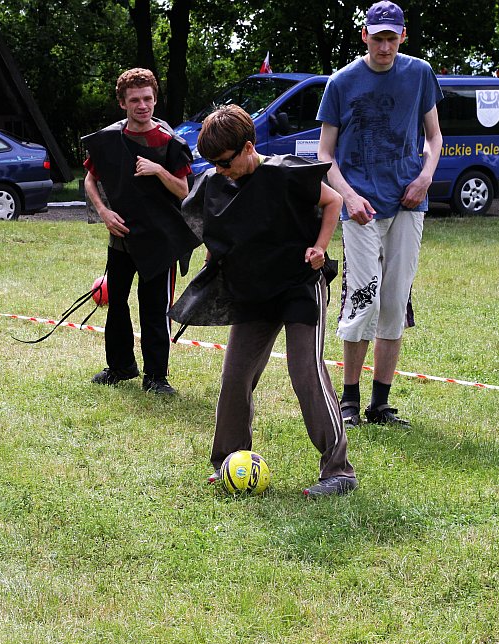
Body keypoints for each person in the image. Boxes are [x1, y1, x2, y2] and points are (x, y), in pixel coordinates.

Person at [171, 104, 356, 497]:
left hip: (298, 285)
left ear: (248, 147)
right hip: (252, 291)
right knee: (235, 376)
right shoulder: (214, 183)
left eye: (224, 162)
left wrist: (320, 248)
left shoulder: (284, 173)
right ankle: (228, 461)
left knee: (304, 371)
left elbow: (333, 202)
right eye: (213, 164)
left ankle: (338, 471)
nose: (219, 170)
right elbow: (214, 230)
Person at [316, 0, 443, 428]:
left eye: (392, 38)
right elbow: (324, 153)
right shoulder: (342, 82)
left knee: (394, 301)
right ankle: (348, 401)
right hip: (361, 209)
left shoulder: (420, 73)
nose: (385, 47)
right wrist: (348, 197)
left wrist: (425, 176)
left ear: (402, 36)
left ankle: (380, 404)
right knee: (363, 298)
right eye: (378, 37)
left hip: (409, 203)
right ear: (364, 35)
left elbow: (434, 137)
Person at [82, 68, 200, 395]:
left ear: (155, 99)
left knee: (154, 310)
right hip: (120, 239)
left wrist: (158, 169)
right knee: (116, 304)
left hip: (159, 243)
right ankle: (120, 367)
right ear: (122, 103)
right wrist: (104, 213)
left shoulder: (169, 142)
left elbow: (183, 190)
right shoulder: (108, 139)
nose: (142, 105)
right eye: (135, 100)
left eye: (147, 98)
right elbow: (91, 180)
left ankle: (156, 378)